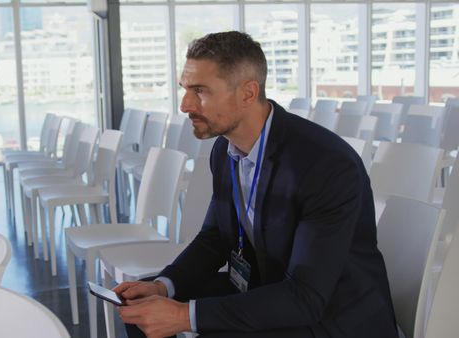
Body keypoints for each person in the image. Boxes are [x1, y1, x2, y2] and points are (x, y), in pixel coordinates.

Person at [114, 31, 398, 338]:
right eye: (185, 89)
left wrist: (184, 316)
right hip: (268, 284)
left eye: (200, 91)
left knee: (202, 326)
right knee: (142, 311)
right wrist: (163, 285)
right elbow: (215, 239)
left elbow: (306, 296)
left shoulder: (326, 165)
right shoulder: (225, 150)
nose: (185, 105)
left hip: (332, 315)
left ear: (248, 93)